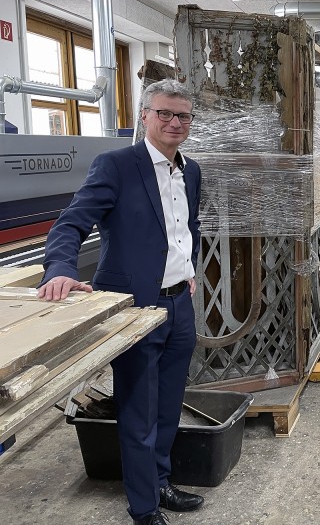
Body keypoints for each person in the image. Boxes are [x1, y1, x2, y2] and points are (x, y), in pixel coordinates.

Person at [37, 79, 204, 525]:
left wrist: (189, 269)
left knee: (169, 404)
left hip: (179, 307)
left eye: (182, 115)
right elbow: (70, 224)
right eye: (164, 113)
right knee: (138, 411)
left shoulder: (191, 170)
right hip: (135, 309)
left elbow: (188, 227)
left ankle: (161, 481)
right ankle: (143, 507)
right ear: (144, 116)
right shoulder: (116, 166)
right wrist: (60, 270)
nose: (174, 122)